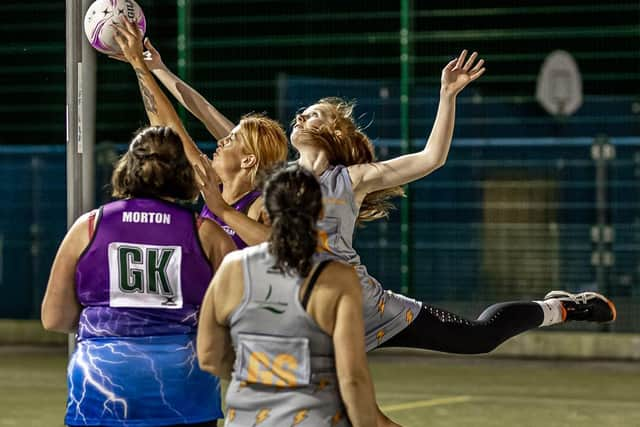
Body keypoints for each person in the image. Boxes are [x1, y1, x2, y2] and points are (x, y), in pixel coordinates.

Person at [141, 42, 617, 354]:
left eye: (311, 113)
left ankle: (563, 308)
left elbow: (432, 158)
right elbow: (207, 116)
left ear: (328, 132)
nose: (300, 116)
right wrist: (159, 68)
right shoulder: (277, 178)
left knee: (477, 338)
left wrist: (447, 96)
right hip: (308, 314)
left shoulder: (351, 180)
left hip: (367, 305)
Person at [41, 125, 237, 427]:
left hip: (101, 383)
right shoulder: (207, 234)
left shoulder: (88, 227)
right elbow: (233, 317)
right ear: (184, 173)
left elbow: (54, 318)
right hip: (182, 384)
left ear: (128, 167)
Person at [196, 164, 382, 427]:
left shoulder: (233, 269)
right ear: (319, 213)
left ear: (265, 215)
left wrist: (261, 374)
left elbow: (208, 356)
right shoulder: (337, 277)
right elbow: (352, 376)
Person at [111, 17, 288, 249]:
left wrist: (222, 211)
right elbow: (169, 129)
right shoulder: (214, 186)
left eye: (232, 138)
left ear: (249, 159)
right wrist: (140, 66)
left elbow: (282, 247)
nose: (222, 140)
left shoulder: (260, 203)